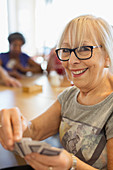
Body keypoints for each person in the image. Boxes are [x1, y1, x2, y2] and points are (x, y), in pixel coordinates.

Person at [0, 14, 113, 170]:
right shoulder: (69, 96)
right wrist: (13, 124)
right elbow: (34, 130)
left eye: (84, 49)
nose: (71, 61)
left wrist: (71, 163)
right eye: (66, 50)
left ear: (107, 56)